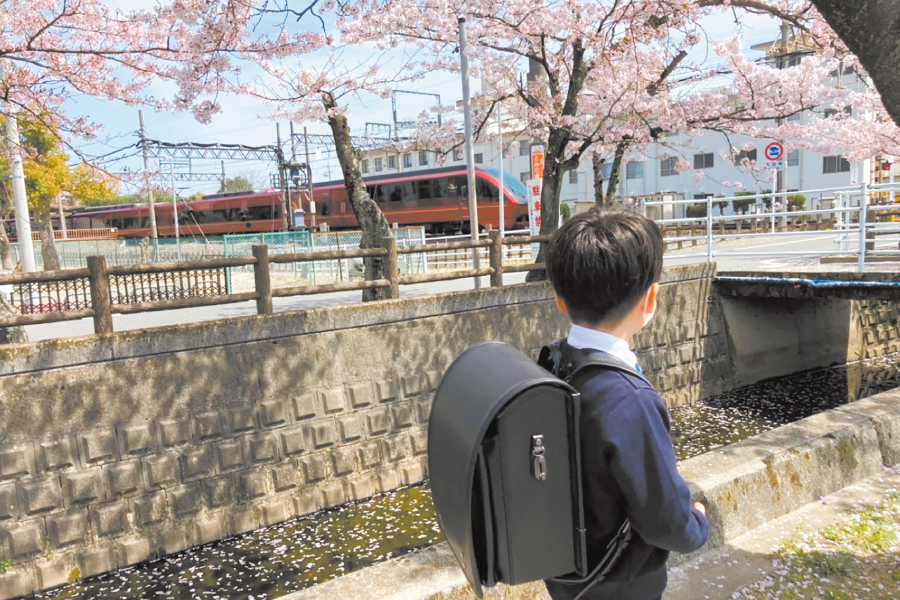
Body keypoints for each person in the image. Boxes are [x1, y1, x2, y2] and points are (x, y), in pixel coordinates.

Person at [542, 207, 709, 600]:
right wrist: (697, 524)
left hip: (565, 569)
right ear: (650, 298)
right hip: (618, 580)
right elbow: (664, 519)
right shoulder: (629, 399)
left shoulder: (554, 362)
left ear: (559, 300)